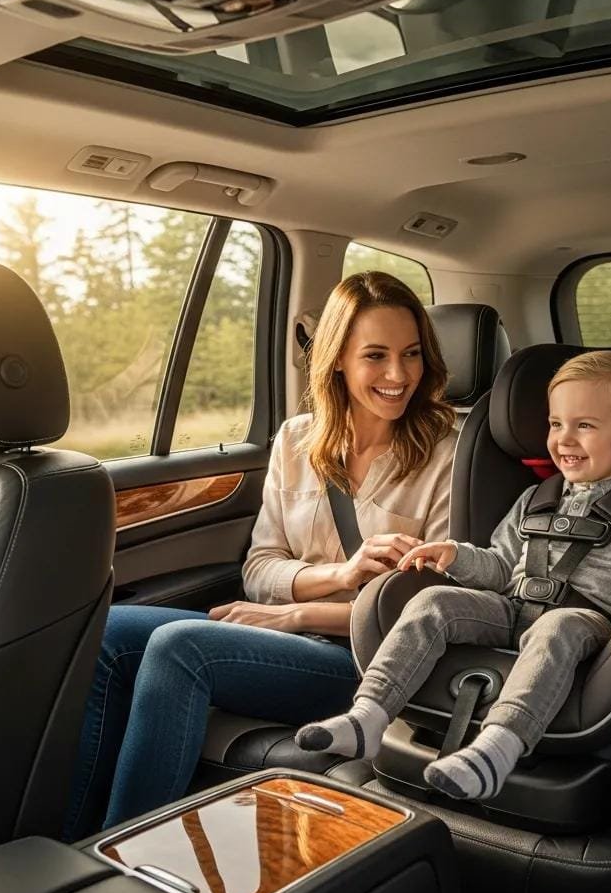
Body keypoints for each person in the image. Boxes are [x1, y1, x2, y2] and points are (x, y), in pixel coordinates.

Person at [65, 270, 458, 839]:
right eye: (376, 355)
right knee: (111, 630)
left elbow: (431, 615)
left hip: (374, 664)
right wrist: (338, 575)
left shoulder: (449, 455)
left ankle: (123, 856)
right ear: (338, 360)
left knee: (182, 646)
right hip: (288, 639)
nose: (399, 375)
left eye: (412, 354)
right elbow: (259, 569)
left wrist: (294, 613)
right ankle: (75, 846)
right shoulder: (297, 440)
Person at [296, 350, 611, 799]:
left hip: (591, 625)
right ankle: (368, 715)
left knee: (557, 627)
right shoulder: (535, 499)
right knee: (433, 602)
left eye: (585, 426)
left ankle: (497, 749)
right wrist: (456, 556)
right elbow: (501, 566)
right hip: (514, 607)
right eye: (556, 424)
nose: (564, 439)